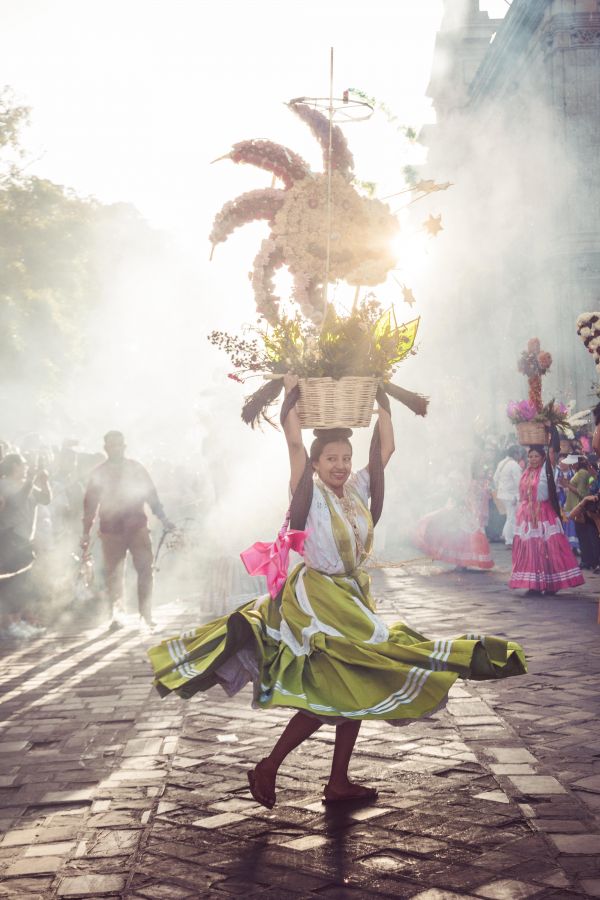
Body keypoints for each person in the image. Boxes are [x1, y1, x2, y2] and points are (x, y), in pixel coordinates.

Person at [148, 375, 526, 809]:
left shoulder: (357, 489)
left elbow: (385, 450)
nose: (341, 465)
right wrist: (290, 397)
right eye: (332, 458)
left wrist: (383, 400)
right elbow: (293, 447)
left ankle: (337, 781)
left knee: (355, 678)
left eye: (345, 457)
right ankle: (271, 766)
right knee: (335, 686)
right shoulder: (306, 490)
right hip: (319, 600)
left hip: (352, 596)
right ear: (316, 462)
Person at [81, 431, 174, 630]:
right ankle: (117, 615)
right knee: (114, 573)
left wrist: (163, 518)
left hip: (137, 527)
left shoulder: (136, 469)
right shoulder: (100, 473)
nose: (115, 449)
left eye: (119, 445)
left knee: (145, 569)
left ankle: (146, 614)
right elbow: (89, 504)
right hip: (111, 530)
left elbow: (151, 495)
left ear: (124, 447)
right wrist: (85, 532)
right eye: (111, 446)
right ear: (106, 449)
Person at [509, 446, 584, 594]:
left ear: (543, 458)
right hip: (527, 516)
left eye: (536, 456)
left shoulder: (547, 471)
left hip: (544, 513)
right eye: (530, 456)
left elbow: (553, 452)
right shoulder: (525, 473)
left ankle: (552, 583)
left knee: (549, 548)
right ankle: (534, 585)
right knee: (531, 549)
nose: (533, 459)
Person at [492, 446, 523, 549]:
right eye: (519, 453)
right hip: (511, 495)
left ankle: (507, 537)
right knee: (511, 518)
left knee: (510, 517)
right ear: (515, 454)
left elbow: (495, 478)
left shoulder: (502, 462)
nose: (520, 456)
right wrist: (517, 496)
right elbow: (519, 482)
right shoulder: (514, 465)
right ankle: (509, 540)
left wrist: (501, 490)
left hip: (503, 494)